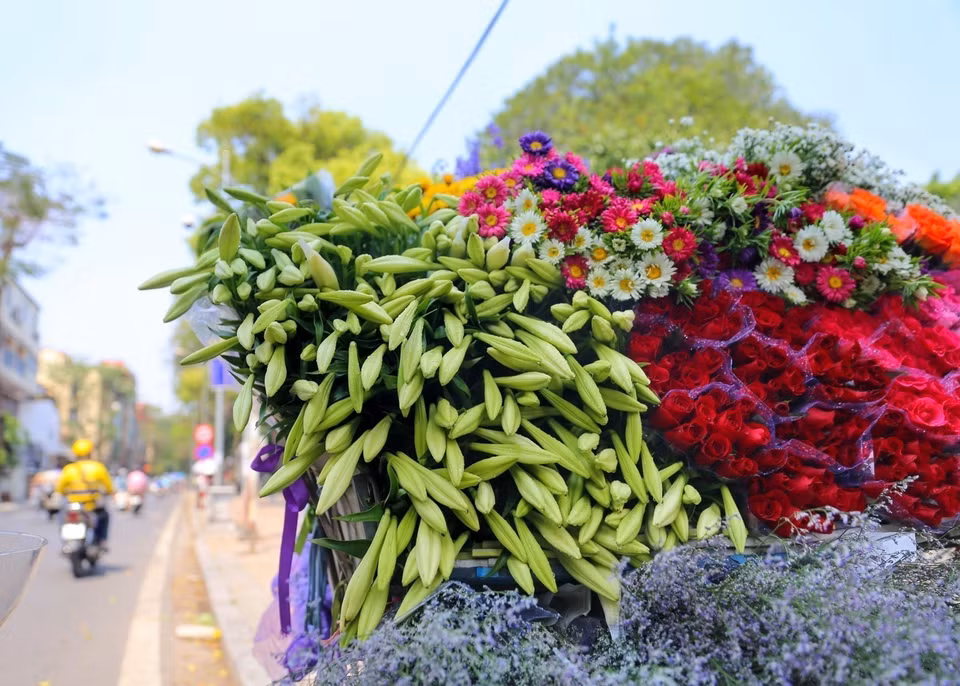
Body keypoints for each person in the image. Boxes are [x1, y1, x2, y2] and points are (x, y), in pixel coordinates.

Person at [55, 439, 115, 549]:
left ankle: (65, 542)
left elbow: (59, 489)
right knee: (104, 516)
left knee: (61, 518)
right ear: (90, 452)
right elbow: (109, 488)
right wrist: (109, 492)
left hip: (73, 506)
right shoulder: (98, 467)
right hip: (92, 506)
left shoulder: (68, 469)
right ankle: (101, 541)